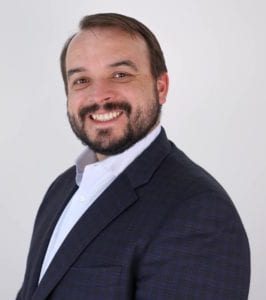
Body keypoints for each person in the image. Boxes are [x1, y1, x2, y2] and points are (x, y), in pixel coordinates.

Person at [16, 13, 250, 300]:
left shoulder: (198, 212)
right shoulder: (62, 188)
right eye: (81, 80)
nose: (99, 95)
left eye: (120, 74)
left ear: (160, 87)